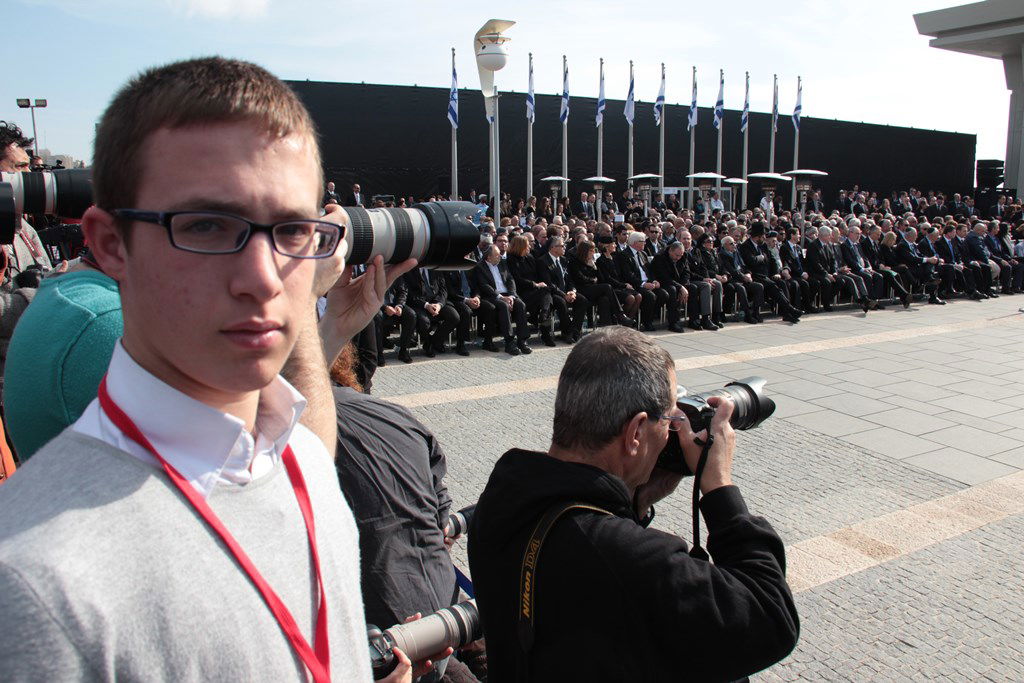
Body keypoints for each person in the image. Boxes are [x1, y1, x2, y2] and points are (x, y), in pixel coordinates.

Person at [0, 57, 422, 682]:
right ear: (110, 242)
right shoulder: (36, 584)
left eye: (292, 230)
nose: (261, 279)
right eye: (205, 225)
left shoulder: (299, 460)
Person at [468, 326, 799, 681]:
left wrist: (632, 501)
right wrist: (718, 485)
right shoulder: (629, 557)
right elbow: (769, 617)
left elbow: (590, 594)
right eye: (670, 418)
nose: (673, 431)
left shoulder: (502, 499)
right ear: (636, 432)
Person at [330, 347, 477, 683]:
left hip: (390, 644)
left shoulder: (278, 442)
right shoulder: (397, 416)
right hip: (442, 608)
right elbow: (441, 510)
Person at [473, 244, 532, 355]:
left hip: (508, 294)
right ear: (489, 257)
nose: (499, 256)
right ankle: (509, 342)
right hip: (492, 296)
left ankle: (522, 340)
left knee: (520, 305)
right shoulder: (480, 267)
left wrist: (512, 295)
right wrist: (501, 297)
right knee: (503, 306)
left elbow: (510, 280)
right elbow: (484, 285)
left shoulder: (502, 264)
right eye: (496, 255)